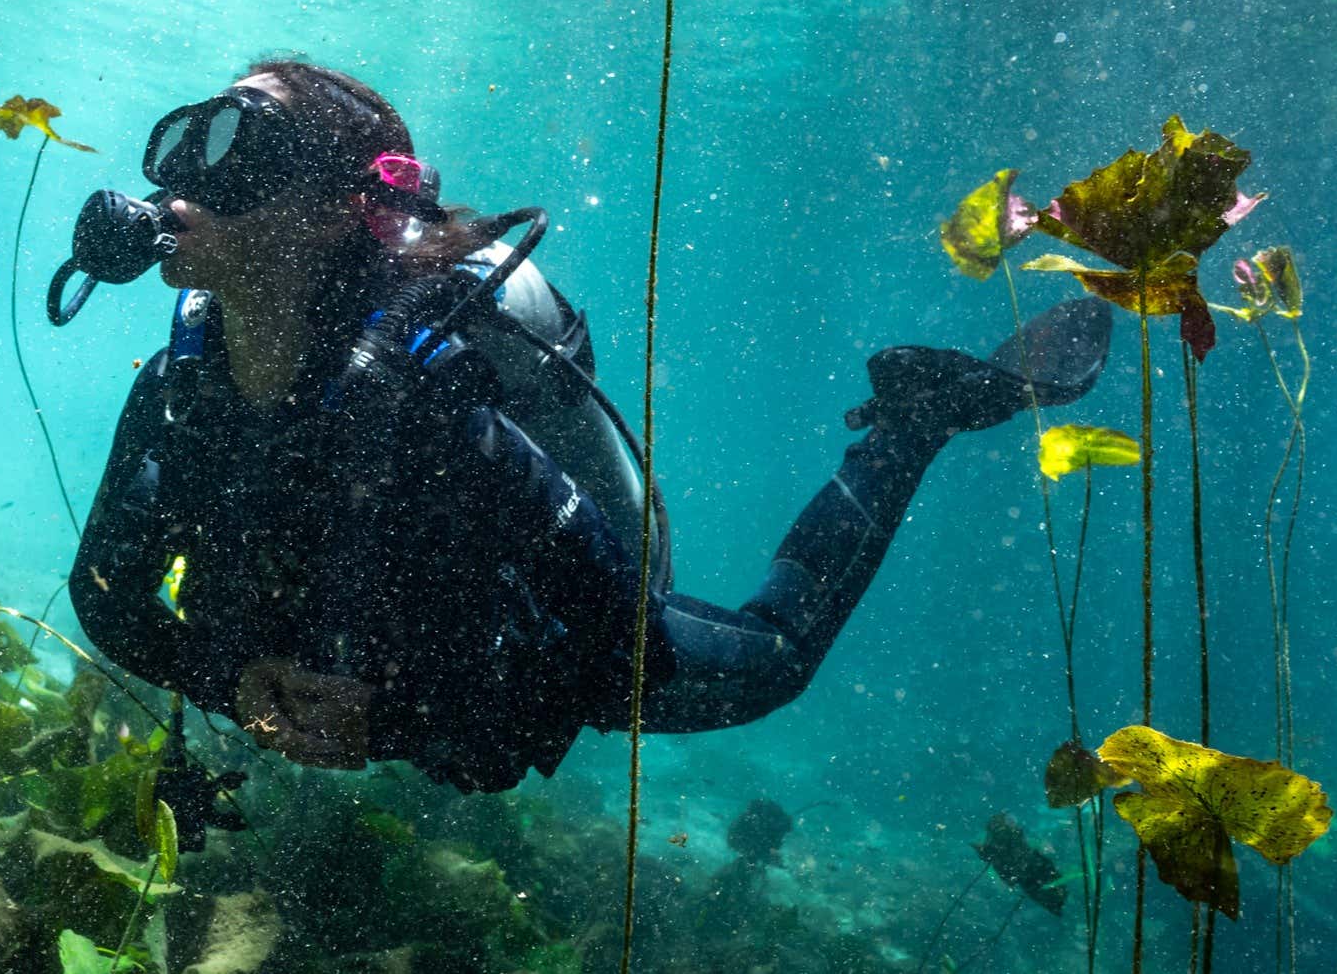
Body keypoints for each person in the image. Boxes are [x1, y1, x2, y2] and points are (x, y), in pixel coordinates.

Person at [61, 59, 1109, 794]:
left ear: (346, 207)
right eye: (191, 140)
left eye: (247, 148)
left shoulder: (422, 402)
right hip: (351, 646)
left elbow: (615, 632)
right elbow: (102, 593)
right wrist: (233, 678)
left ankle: (912, 423)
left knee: (775, 663)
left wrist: (404, 721)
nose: (184, 181)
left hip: (492, 654)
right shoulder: (180, 383)